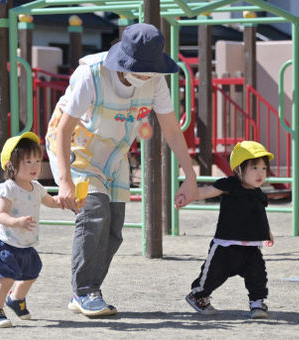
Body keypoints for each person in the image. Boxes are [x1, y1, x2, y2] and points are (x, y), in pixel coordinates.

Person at [45, 23, 198, 317]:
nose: (146, 76)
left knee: (114, 227)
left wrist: (190, 177)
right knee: (94, 210)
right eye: (140, 71)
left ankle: (91, 290)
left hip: (115, 152)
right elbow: (64, 129)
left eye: (150, 71)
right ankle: (84, 290)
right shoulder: (91, 74)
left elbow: (172, 131)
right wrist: (64, 182)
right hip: (76, 147)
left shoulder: (155, 80)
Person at [178, 141, 275, 319]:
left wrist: (267, 233)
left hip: (250, 248)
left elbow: (260, 217)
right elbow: (205, 192)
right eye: (254, 167)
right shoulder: (230, 185)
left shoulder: (259, 194)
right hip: (225, 247)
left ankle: (257, 303)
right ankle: (198, 296)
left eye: (263, 168)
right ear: (238, 169)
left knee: (258, 275)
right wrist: (188, 196)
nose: (260, 173)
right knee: (212, 277)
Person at [0, 132, 64, 327]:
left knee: (31, 273)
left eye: (37, 161)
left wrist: (66, 202)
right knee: (6, 279)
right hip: (6, 243)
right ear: (11, 164)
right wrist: (16, 221)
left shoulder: (36, 187)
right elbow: (0, 215)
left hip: (26, 244)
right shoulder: (9, 188)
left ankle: (16, 300)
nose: (34, 166)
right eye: (28, 161)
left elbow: (52, 202)